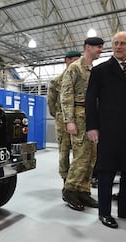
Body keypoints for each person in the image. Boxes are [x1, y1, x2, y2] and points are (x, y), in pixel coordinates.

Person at [85, 31, 126, 229]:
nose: (119, 46)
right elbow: (90, 100)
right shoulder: (101, 71)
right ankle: (104, 213)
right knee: (106, 172)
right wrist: (92, 127)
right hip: (108, 129)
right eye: (115, 43)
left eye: (123, 43)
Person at [60, 37, 104, 211]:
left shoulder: (95, 69)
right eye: (98, 47)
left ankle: (83, 191)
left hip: (93, 117)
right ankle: (70, 190)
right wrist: (69, 120)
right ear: (88, 47)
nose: (101, 50)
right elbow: (66, 95)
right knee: (81, 156)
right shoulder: (75, 68)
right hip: (79, 116)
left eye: (101, 47)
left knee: (92, 157)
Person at [47, 50, 81, 199]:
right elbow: (51, 103)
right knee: (64, 151)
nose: (76, 63)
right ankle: (65, 181)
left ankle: (77, 183)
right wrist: (60, 116)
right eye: (74, 60)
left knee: (81, 153)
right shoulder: (56, 81)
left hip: (79, 119)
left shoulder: (81, 78)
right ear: (66, 61)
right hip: (62, 120)